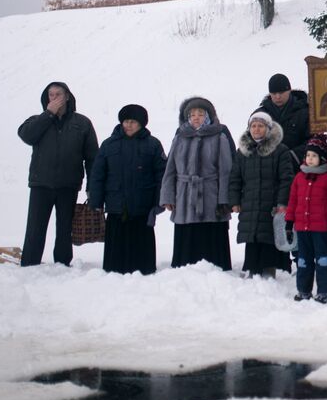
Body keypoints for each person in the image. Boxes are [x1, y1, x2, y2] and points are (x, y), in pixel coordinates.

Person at [17, 81, 99, 267]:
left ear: (67, 96)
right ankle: (29, 264)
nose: (53, 98)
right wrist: (48, 115)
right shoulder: (38, 120)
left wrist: (92, 187)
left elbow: (93, 157)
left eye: (58, 94)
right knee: (35, 229)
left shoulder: (82, 123)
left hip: (68, 185)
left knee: (64, 229)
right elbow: (26, 136)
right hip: (41, 184)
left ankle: (62, 265)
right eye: (50, 95)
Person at [87, 104, 164, 275]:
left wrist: (159, 201)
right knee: (116, 240)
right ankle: (114, 269)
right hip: (116, 203)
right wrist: (96, 201)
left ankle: (145, 269)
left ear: (142, 124)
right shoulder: (109, 144)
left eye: (133, 121)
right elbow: (98, 175)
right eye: (125, 121)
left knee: (142, 238)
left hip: (143, 203)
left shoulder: (153, 145)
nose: (128, 125)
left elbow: (161, 175)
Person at [161, 96, 234, 270]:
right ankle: (185, 267)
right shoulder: (180, 137)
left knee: (212, 233)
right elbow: (170, 170)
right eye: (192, 114)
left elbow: (226, 171)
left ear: (208, 116)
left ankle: (216, 268)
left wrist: (225, 199)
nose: (196, 117)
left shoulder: (219, 136)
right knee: (187, 235)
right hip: (184, 195)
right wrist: (168, 197)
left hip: (211, 194)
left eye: (200, 114)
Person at [229, 111, 296, 279]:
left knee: (269, 237)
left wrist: (282, 203)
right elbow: (235, 178)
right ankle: (252, 269)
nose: (256, 129)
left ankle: (268, 270)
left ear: (268, 128)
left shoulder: (280, 150)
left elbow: (286, 179)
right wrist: (235, 200)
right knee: (252, 236)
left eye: (260, 126)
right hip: (250, 202)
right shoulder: (243, 152)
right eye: (253, 126)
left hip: (271, 203)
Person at [287, 139, 327, 303]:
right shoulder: (299, 178)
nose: (310, 158)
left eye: (314, 156)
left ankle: (324, 289)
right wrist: (289, 222)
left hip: (320, 227)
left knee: (322, 259)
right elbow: (293, 201)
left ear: (322, 159)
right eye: (308, 155)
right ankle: (304, 289)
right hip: (302, 227)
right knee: (303, 259)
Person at [254, 73, 310, 166]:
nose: (278, 97)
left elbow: (313, 141)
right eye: (274, 93)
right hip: (268, 169)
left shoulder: (305, 112)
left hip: (298, 168)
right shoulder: (260, 115)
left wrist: (292, 156)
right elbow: (249, 141)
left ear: (289, 91)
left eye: (281, 93)